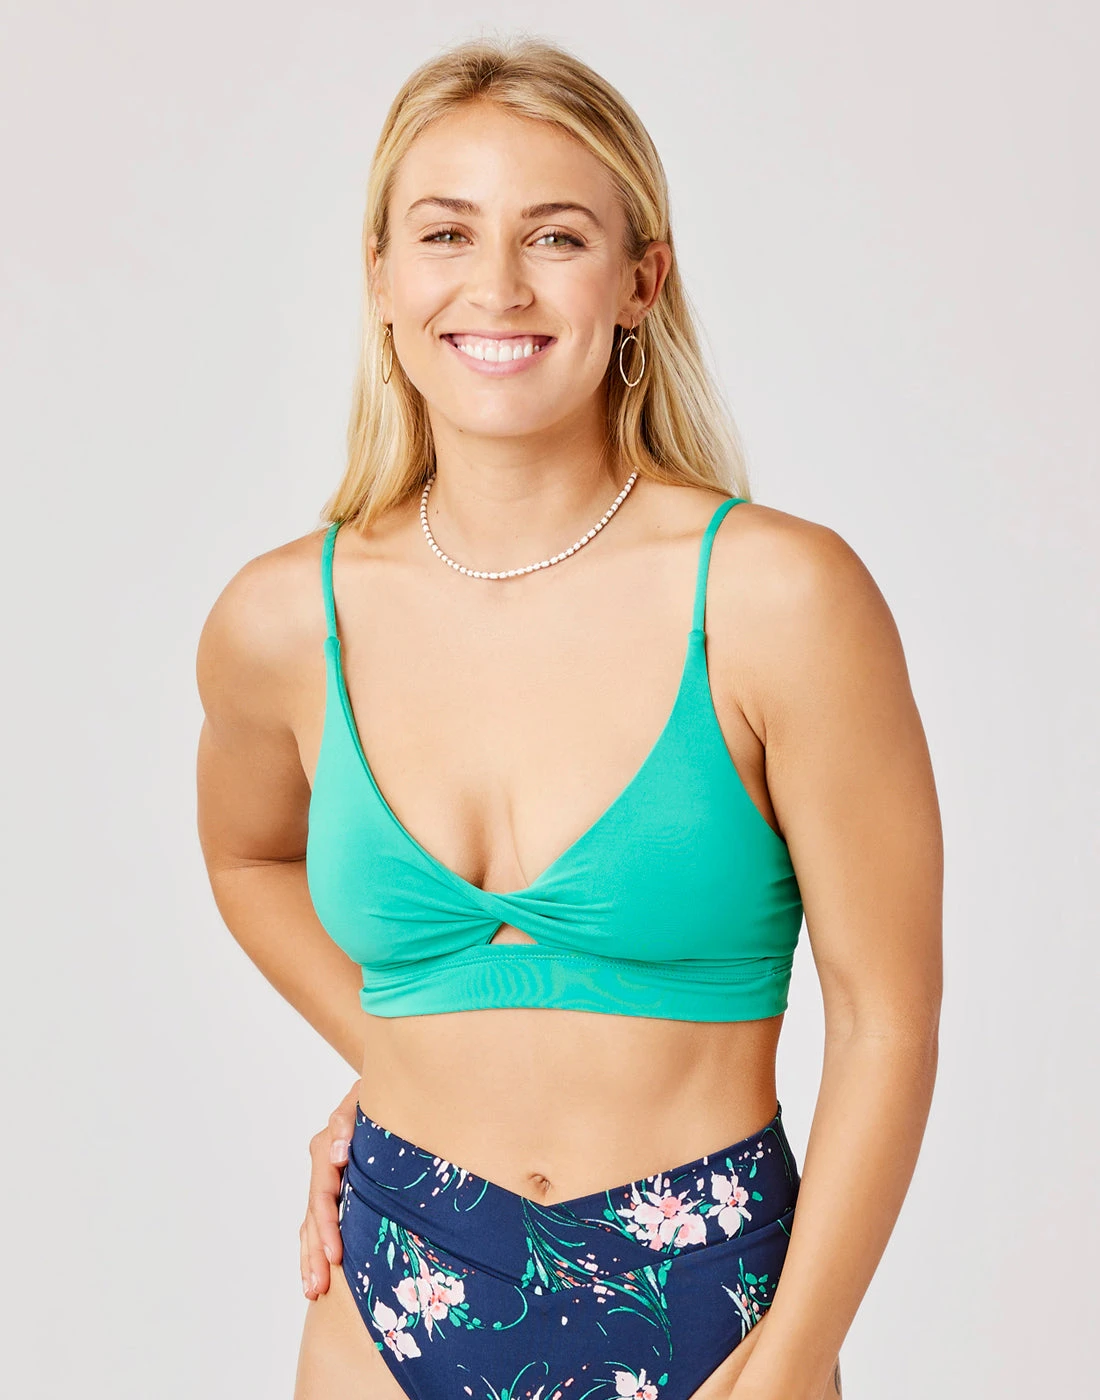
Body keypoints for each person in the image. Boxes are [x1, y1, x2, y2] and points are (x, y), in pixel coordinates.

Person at [196, 35, 942, 1400]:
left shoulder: (777, 598)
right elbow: (247, 857)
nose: (497, 286)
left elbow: (885, 1013)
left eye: (555, 236)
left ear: (640, 281)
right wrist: (393, 1054)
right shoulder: (283, 620)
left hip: (715, 1304)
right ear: (381, 276)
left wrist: (794, 1362)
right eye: (446, 234)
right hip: (394, 1282)